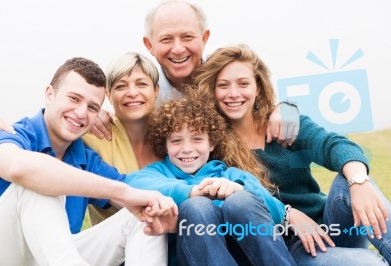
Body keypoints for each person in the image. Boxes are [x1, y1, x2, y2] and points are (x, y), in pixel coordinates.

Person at [193, 44, 391, 265]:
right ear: (212, 90)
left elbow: (332, 145)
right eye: (223, 85)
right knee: (366, 262)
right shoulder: (210, 145)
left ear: (258, 87)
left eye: (243, 83)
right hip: (288, 247)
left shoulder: (284, 125)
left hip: (330, 225)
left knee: (351, 180)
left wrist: (359, 181)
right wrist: (287, 215)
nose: (234, 93)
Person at [0, 57, 177, 266]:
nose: (81, 113)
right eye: (74, 98)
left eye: (92, 107)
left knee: (141, 217)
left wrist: (185, 193)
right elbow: (17, 168)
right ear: (49, 94)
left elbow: (133, 189)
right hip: (2, 254)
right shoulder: (9, 133)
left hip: (57, 258)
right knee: (37, 180)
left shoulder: (85, 159)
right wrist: (123, 193)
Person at [126, 96, 339, 265]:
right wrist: (192, 192)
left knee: (242, 200)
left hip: (244, 255)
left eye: (197, 139)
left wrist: (238, 189)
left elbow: (267, 204)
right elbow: (132, 185)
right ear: (165, 145)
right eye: (176, 141)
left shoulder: (228, 174)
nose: (187, 149)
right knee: (197, 205)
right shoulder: (158, 173)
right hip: (196, 257)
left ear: (211, 144)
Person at [91, 0, 300, 147]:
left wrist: (286, 108)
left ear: (204, 38)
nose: (178, 48)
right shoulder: (146, 88)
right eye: (166, 40)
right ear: (149, 45)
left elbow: (260, 102)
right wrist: (96, 115)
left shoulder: (226, 70)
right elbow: (126, 114)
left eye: (187, 37)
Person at [83, 52, 161, 225]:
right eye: (121, 86)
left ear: (156, 90)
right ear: (108, 95)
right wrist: (88, 113)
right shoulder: (92, 135)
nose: (132, 93)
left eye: (141, 84)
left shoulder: (173, 133)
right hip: (115, 246)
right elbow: (48, 129)